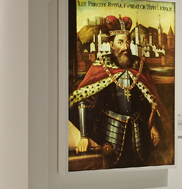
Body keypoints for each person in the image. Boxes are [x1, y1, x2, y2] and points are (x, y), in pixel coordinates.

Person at [69, 15, 171, 168]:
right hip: (110, 132)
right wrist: (83, 136)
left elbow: (146, 99)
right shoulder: (102, 64)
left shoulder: (138, 64)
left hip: (139, 133)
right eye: (120, 42)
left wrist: (153, 125)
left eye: (127, 42)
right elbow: (84, 99)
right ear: (111, 45)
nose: (125, 47)